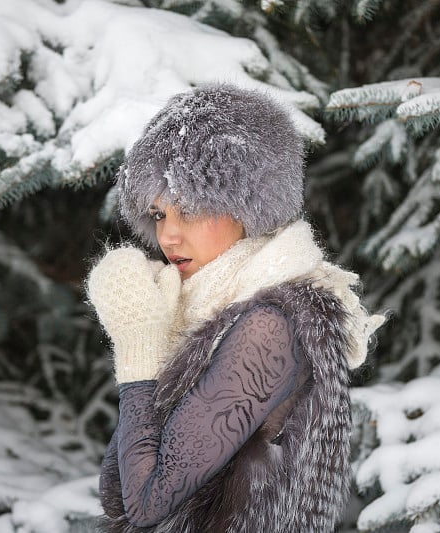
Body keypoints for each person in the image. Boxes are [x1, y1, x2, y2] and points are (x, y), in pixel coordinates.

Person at [86, 83, 385, 533]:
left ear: (246, 205)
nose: (167, 235)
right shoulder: (211, 313)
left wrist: (138, 348)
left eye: (187, 209)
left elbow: (148, 505)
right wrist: (156, 333)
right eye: (159, 213)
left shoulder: (270, 326)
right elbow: (117, 493)